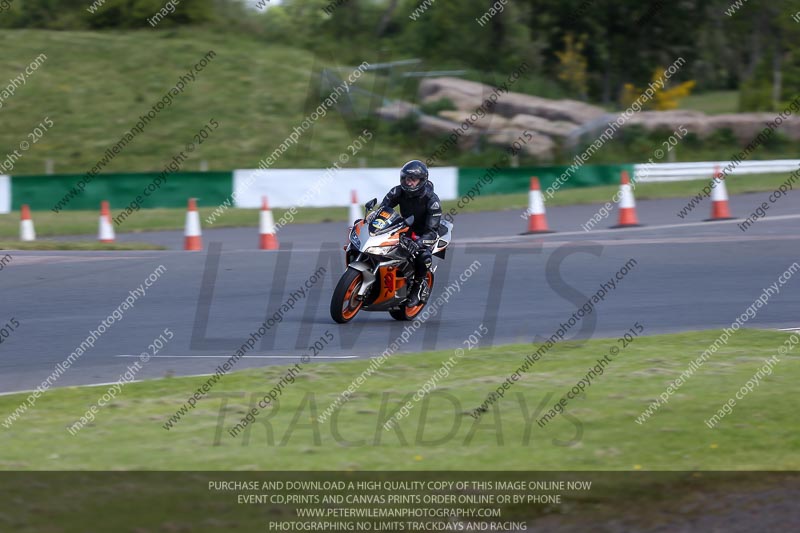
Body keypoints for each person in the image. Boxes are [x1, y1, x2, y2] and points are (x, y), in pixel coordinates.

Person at [377, 160, 442, 307]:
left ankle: (417, 288)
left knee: (423, 257)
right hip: (404, 228)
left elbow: (432, 231)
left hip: (423, 234)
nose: (409, 182)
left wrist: (419, 242)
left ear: (422, 181)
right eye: (406, 178)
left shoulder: (432, 200)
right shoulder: (397, 191)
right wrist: (370, 220)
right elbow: (382, 211)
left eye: (413, 179)